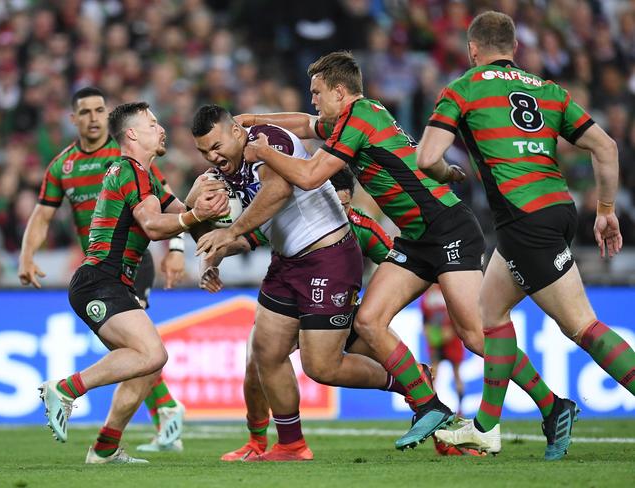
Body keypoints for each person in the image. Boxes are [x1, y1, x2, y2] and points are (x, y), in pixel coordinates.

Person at [237, 51, 570, 452]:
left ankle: (553, 406)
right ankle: (428, 404)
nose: (313, 100)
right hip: (417, 238)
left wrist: (266, 151)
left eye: (317, 92)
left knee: (475, 335)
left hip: (449, 229)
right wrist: (257, 121)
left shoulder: (358, 117)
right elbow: (307, 125)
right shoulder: (352, 116)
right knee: (369, 320)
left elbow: (308, 176)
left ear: (340, 92)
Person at [412, 11, 635, 460]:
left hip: (523, 220)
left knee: (582, 326)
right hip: (556, 208)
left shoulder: (465, 88)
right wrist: (606, 210)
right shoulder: (550, 91)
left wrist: (449, 171)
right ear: (514, 48)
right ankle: (487, 428)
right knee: (490, 313)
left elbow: (426, 157)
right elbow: (606, 147)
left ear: (473, 49)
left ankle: (502, 424)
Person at [192, 105, 414, 461]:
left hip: (328, 257)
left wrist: (230, 230)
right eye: (204, 152)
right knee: (265, 353)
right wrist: (205, 235)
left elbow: (277, 191)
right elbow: (230, 234)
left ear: (236, 132)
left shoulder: (268, 141)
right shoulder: (226, 171)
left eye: (216, 146)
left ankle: (413, 383)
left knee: (322, 367)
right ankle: (291, 444)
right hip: (287, 262)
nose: (212, 156)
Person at [38, 102, 230, 464]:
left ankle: (106, 448)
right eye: (152, 123)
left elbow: (182, 214)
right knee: (153, 354)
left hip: (111, 283)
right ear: (132, 134)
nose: (161, 129)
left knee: (146, 364)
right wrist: (196, 214)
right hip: (100, 280)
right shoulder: (130, 170)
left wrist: (210, 209)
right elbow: (158, 226)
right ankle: (64, 390)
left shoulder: (147, 177)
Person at [18, 87, 187, 453]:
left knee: (139, 355)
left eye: (99, 110)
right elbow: (42, 214)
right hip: (103, 270)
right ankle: (159, 410)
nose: (93, 117)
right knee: (144, 354)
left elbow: (171, 204)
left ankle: (118, 440)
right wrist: (26, 255)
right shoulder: (67, 166)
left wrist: (178, 248)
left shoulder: (132, 159)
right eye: (86, 112)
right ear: (74, 119)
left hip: (130, 267)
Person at [215, 167, 400, 461]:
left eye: (345, 205)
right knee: (257, 359)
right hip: (290, 300)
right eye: (332, 205)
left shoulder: (362, 227)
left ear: (350, 200)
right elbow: (248, 240)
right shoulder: (293, 216)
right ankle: (256, 442)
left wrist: (373, 309)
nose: (337, 213)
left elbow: (396, 269)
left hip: (338, 306)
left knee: (391, 359)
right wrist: (216, 248)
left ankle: (428, 405)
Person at [421, 284, 465, 414]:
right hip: (436, 338)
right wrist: (429, 332)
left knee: (456, 373)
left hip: (452, 338)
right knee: (434, 374)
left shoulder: (446, 289)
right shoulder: (427, 294)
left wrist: (453, 329)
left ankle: (460, 408)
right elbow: (425, 319)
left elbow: (458, 312)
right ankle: (433, 408)